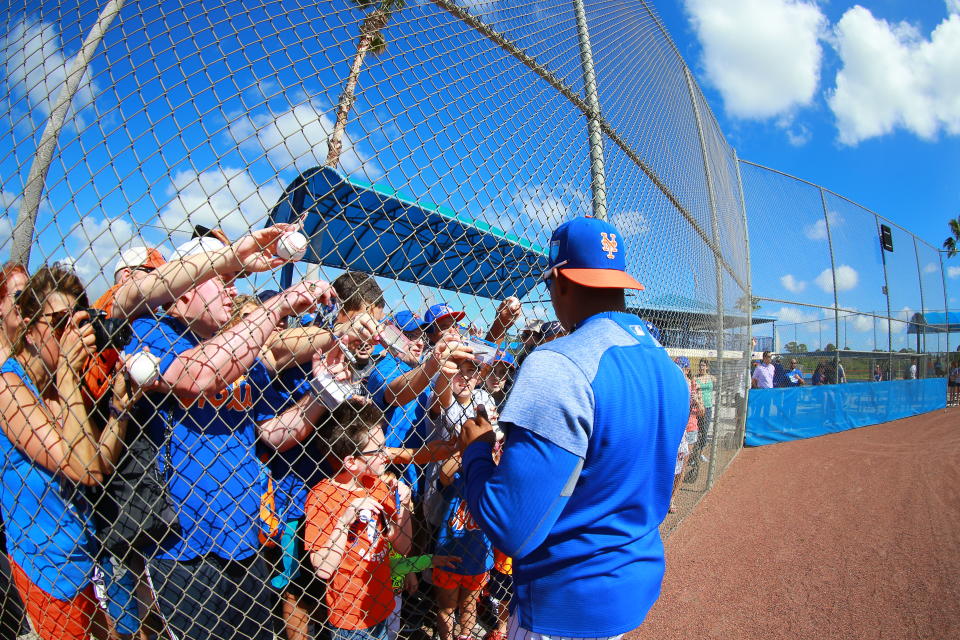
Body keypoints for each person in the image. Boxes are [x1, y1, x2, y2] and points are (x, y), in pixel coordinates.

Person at [458, 216, 689, 637]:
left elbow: (511, 524)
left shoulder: (559, 362)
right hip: (631, 585)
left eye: (548, 286)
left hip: (562, 605)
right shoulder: (669, 370)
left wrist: (475, 450)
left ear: (561, 281)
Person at [123, 236, 336, 640]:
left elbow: (271, 433)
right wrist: (279, 306)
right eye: (221, 279)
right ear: (182, 293)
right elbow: (199, 374)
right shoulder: (152, 331)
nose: (233, 289)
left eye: (235, 279)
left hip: (243, 537)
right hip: (182, 548)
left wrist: (326, 386)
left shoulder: (241, 346)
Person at [0, 266, 139, 640]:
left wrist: (119, 412)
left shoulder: (60, 388)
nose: (72, 335)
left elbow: (99, 462)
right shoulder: (8, 388)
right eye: (59, 323)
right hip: (45, 563)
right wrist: (67, 378)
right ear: (29, 329)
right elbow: (83, 469)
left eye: (76, 322)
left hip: (84, 557)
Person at [304, 399, 411, 640]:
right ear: (351, 461)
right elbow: (323, 568)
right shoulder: (322, 497)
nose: (387, 455)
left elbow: (402, 547)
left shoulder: (379, 485)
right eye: (379, 450)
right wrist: (344, 521)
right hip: (350, 618)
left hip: (384, 603)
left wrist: (403, 508)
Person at [433, 453, 493, 640]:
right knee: (447, 607)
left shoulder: (493, 484)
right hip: (447, 559)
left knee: (469, 605)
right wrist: (465, 450)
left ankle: (466, 636)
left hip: (478, 560)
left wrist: (493, 456)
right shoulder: (457, 481)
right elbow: (444, 472)